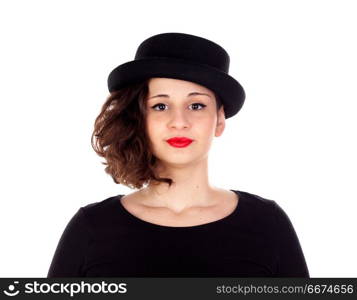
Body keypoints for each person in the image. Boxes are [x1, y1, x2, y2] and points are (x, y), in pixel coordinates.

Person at [47, 32, 309, 277]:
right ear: (139, 118)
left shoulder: (266, 224)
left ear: (219, 120)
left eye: (196, 105)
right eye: (160, 105)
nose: (179, 121)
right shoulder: (91, 228)